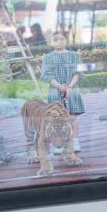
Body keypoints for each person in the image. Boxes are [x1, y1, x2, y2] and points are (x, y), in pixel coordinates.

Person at [39, 31, 85, 161]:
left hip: (72, 89)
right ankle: (58, 143)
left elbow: (79, 72)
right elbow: (46, 75)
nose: (59, 41)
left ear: (66, 40)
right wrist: (59, 86)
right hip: (55, 90)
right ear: (51, 42)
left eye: (62, 38)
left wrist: (69, 86)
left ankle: (74, 141)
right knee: (56, 119)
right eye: (56, 39)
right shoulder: (47, 57)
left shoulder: (75, 55)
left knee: (72, 117)